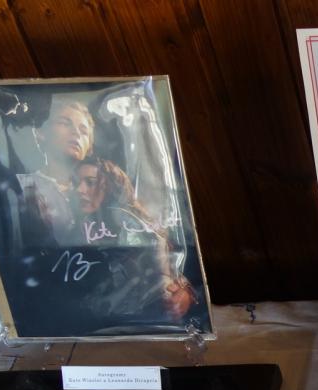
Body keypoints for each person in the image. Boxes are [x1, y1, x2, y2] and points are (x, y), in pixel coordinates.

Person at [71, 155, 197, 321]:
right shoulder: (71, 230)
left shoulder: (136, 230)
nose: (79, 189)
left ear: (110, 188)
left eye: (90, 182)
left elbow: (169, 275)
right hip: (87, 324)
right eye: (75, 182)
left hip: (141, 322)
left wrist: (183, 294)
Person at [19, 98, 95, 247]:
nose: (76, 133)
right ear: (41, 132)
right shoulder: (22, 186)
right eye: (65, 123)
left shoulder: (97, 192)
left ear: (89, 148)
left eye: (84, 131)